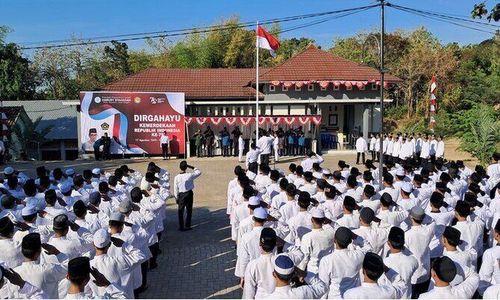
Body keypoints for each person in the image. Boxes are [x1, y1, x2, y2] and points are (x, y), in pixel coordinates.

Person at [173, 161, 202, 231]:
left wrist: (176, 197)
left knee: (180, 211)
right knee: (189, 210)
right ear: (186, 167)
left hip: (181, 195)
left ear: (180, 168)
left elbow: (175, 188)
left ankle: (181, 226)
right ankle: (188, 225)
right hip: (189, 193)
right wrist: (191, 167)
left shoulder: (177, 177)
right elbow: (199, 172)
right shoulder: (189, 175)